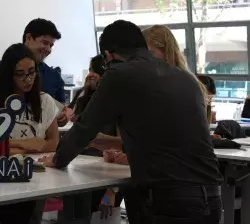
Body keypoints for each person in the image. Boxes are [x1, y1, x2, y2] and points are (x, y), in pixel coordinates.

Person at [40, 20, 223, 224]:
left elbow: (85, 128)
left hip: (167, 200)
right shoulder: (187, 78)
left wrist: (57, 160)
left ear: (109, 55)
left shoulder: (119, 74)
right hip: (211, 196)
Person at [0, 43, 59, 224]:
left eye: (32, 72)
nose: (28, 79)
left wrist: (17, 149)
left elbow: (53, 142)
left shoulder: (44, 100)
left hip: (35, 178)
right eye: (20, 74)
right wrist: (26, 144)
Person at [60, 54, 123, 223]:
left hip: (106, 174)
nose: (90, 74)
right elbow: (70, 114)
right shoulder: (83, 94)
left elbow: (122, 147)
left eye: (97, 71)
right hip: (79, 167)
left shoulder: (117, 102)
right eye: (90, 70)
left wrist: (112, 190)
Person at [23, 18, 68, 127]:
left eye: (51, 45)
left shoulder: (54, 77)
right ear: (28, 38)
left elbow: (62, 109)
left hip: (43, 141)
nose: (48, 49)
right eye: (45, 42)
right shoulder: (4, 68)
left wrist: (63, 118)